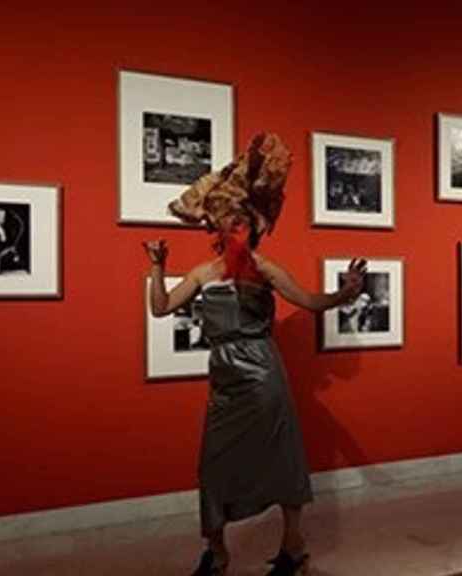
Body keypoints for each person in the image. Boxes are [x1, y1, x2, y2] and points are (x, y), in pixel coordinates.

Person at [144, 133, 367, 576]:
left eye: (240, 223)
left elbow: (310, 301)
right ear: (219, 230)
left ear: (251, 226)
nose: (234, 230)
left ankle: (293, 547)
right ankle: (217, 551)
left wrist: (345, 293)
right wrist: (156, 265)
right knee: (213, 464)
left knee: (281, 458)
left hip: (263, 373)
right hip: (224, 377)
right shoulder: (205, 273)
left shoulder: (264, 270)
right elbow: (160, 307)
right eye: (227, 224)